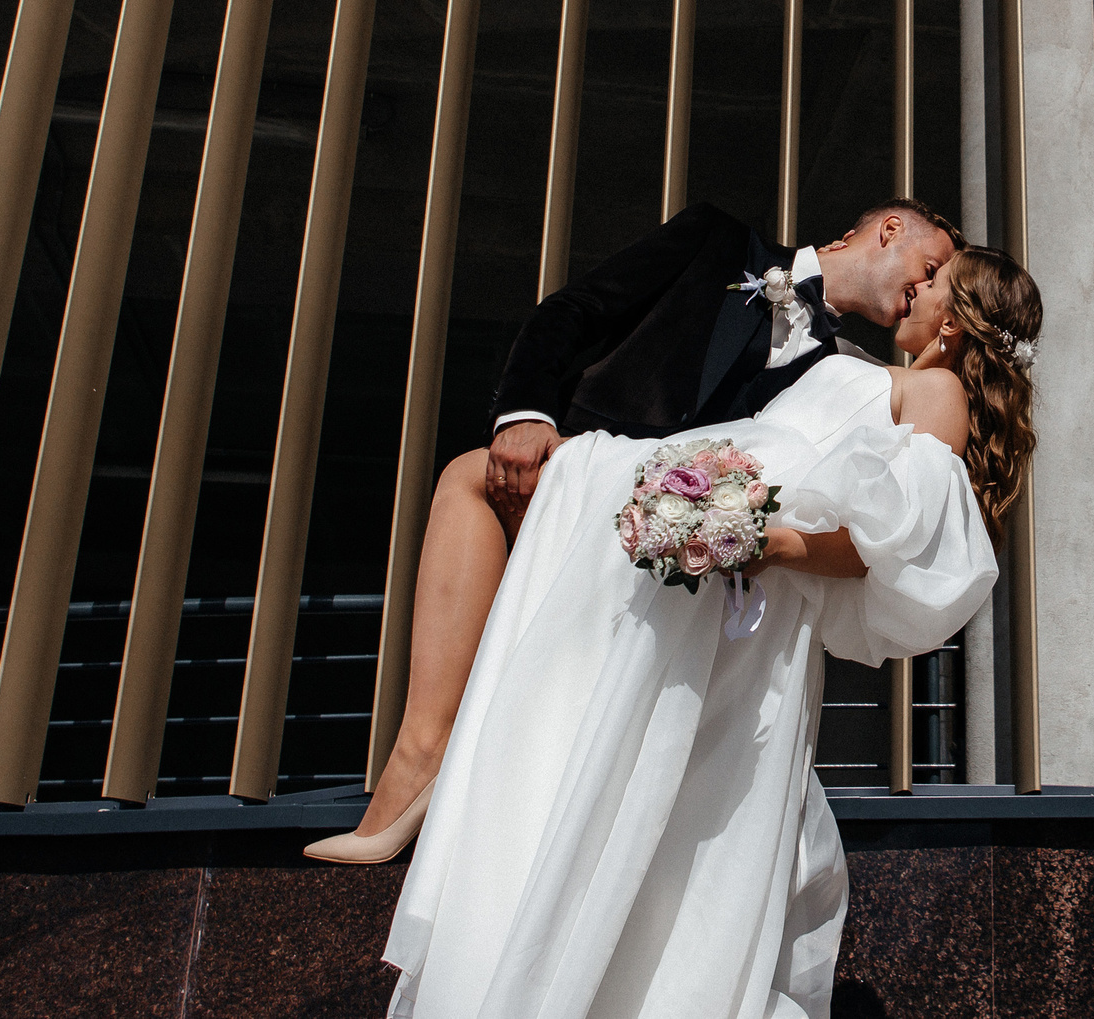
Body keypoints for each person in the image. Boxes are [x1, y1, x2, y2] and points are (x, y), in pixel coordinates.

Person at [379, 247, 1041, 1018]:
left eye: (933, 286)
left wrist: (762, 539)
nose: (915, 291)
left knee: (662, 790)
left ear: (953, 323)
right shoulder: (871, 366)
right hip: (704, 548)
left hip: (736, 587)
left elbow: (889, 540)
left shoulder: (934, 391)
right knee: (615, 757)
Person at [304, 198, 957, 861]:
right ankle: (423, 752)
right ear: (889, 229)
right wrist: (524, 413)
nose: (925, 290)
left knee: (472, 487)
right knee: (475, 477)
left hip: (678, 560)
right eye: (931, 266)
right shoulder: (718, 241)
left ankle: (459, 773)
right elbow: (574, 311)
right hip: (590, 472)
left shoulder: (846, 371)